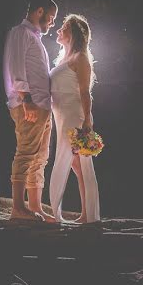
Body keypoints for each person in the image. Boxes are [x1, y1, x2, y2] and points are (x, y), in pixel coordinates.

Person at [3, 0, 58, 221]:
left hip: (43, 105)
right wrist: (26, 99)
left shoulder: (36, 38)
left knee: (40, 157)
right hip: (29, 104)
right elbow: (16, 68)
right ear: (39, 11)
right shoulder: (20, 33)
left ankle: (35, 208)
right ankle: (18, 208)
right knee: (26, 154)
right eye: (51, 17)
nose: (52, 23)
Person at [48, 14, 101, 223]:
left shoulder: (80, 58)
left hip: (73, 115)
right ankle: (86, 214)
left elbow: (84, 91)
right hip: (60, 116)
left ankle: (88, 215)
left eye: (64, 27)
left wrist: (87, 120)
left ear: (75, 33)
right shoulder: (63, 58)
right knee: (77, 166)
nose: (59, 29)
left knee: (80, 164)